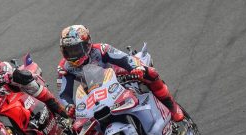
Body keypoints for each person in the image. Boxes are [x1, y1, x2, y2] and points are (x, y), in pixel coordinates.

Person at [56, 25, 184, 122]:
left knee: (149, 73)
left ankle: (171, 106)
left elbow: (125, 59)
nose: (72, 54)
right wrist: (69, 106)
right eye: (68, 50)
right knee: (76, 121)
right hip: (94, 91)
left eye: (76, 49)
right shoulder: (64, 67)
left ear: (87, 44)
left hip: (119, 76)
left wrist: (136, 68)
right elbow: (64, 95)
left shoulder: (101, 49)